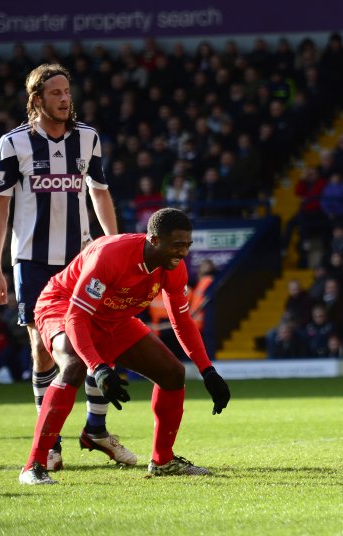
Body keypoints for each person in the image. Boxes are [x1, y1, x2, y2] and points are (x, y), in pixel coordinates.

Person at [0, 63, 132, 470]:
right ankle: (49, 444)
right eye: (55, 93)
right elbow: (0, 208)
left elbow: (100, 193)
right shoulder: (12, 144)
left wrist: (113, 245)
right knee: (43, 352)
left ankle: (96, 429)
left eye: (67, 91)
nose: (65, 99)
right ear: (36, 100)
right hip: (31, 260)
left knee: (96, 340)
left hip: (81, 259)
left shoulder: (88, 138)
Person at [19, 208, 231, 485]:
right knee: (73, 366)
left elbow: (182, 321)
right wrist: (99, 367)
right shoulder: (111, 255)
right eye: (178, 245)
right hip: (63, 306)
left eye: (187, 246)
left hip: (113, 317)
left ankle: (163, 461)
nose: (183, 253)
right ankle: (33, 466)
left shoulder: (173, 269)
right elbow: (77, 316)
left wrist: (208, 371)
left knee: (173, 374)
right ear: (154, 239)